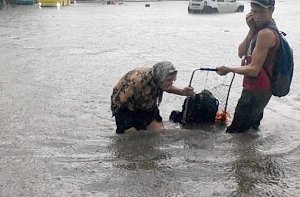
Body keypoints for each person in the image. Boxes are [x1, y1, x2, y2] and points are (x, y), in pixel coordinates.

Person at [216, 0, 280, 133]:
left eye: (261, 12)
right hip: (259, 89)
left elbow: (254, 69)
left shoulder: (265, 33)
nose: (256, 16)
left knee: (236, 133)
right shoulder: (258, 30)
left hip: (257, 90)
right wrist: (251, 29)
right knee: (250, 130)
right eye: (254, 11)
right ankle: (251, 152)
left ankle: (244, 153)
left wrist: (228, 69)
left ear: (271, 10)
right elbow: (241, 53)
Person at [111, 61, 194, 134]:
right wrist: (124, 121)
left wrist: (182, 91)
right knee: (131, 136)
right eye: (168, 80)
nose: (171, 83)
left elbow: (166, 87)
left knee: (159, 131)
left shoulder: (158, 80)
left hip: (148, 105)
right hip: (127, 107)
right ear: (160, 78)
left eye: (172, 80)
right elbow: (119, 101)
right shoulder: (138, 79)